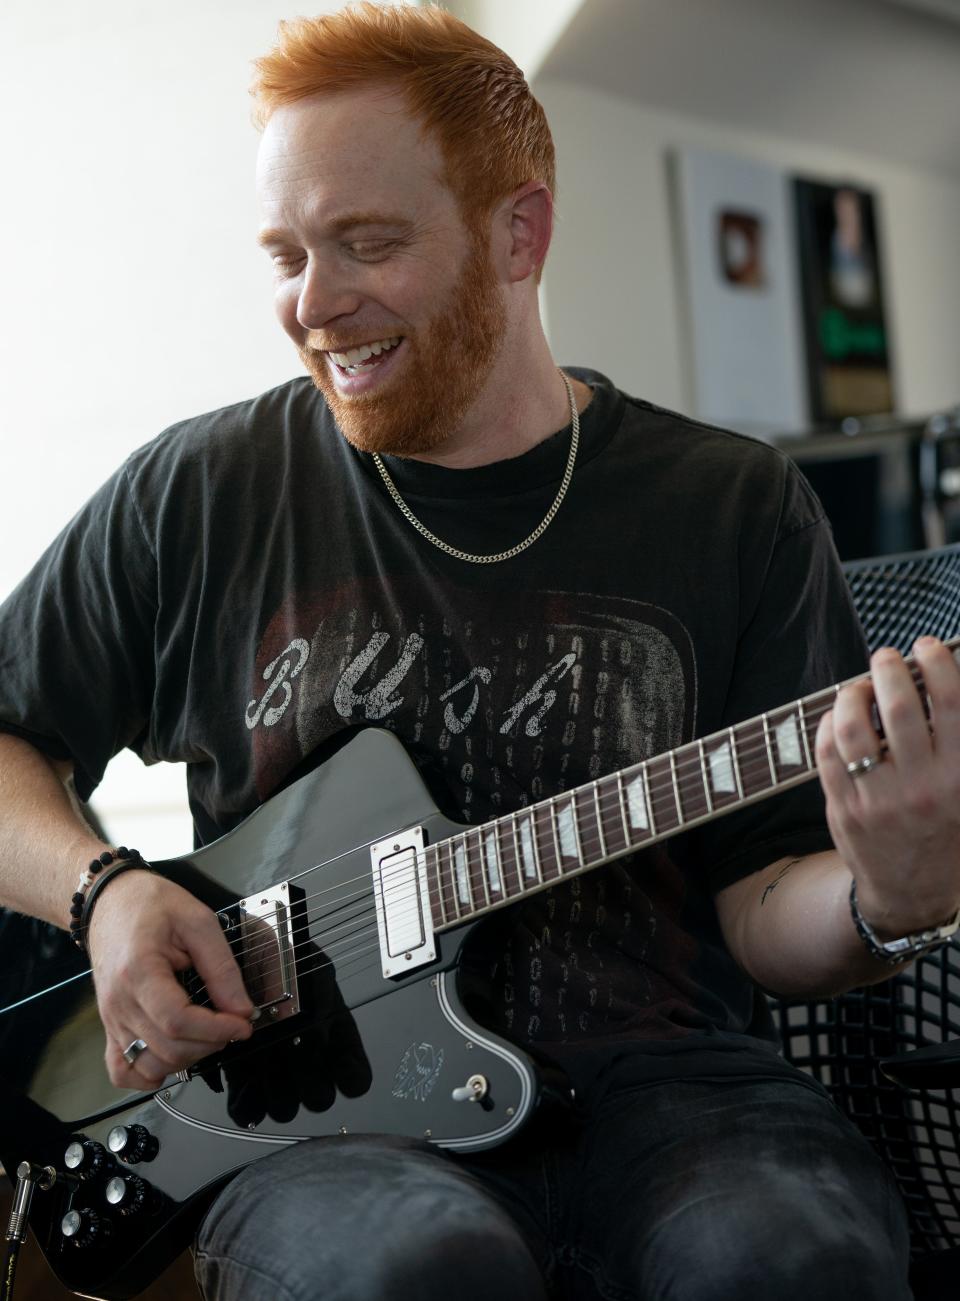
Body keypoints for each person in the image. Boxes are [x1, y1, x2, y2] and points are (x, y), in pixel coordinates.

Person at [0, 5, 958, 1298]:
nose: (313, 302)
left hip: (675, 1095)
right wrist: (105, 891)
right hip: (319, 1119)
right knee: (411, 1268)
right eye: (285, 252)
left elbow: (760, 903)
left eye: (367, 243)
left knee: (789, 1258)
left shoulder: (728, 502)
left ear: (521, 231)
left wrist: (891, 897)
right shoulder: (202, 490)